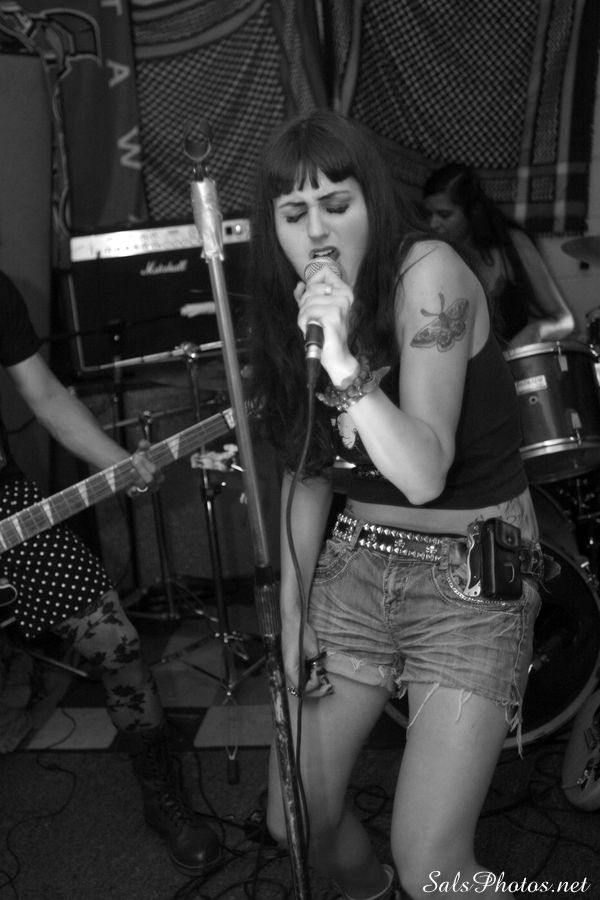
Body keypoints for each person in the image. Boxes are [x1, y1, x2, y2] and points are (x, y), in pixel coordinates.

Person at [247, 110, 549, 899]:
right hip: (355, 564)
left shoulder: (428, 274)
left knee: (437, 871)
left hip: (472, 572)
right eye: (293, 213)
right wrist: (293, 615)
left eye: (335, 205)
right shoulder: (288, 307)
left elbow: (422, 472)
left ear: (373, 202)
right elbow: (308, 472)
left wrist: (344, 362)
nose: (316, 231)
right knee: (297, 821)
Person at [0, 269, 219, 877]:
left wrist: (121, 464)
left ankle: (160, 788)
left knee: (114, 641)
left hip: (7, 506)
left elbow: (45, 396)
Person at [422, 162, 575, 349]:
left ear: (473, 211)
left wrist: (536, 331)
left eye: (444, 215)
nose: (433, 224)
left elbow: (564, 320)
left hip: (511, 364)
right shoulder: (433, 257)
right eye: (428, 215)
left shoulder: (511, 245)